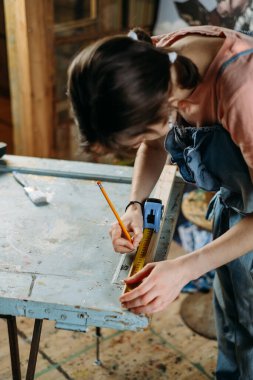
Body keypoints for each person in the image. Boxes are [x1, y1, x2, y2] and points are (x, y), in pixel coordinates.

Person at [67, 26, 253, 379]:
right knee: (234, 322)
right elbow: (154, 145)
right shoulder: (153, 62)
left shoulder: (244, 92)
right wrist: (135, 205)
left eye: (137, 133)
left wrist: (185, 268)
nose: (144, 139)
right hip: (238, 212)